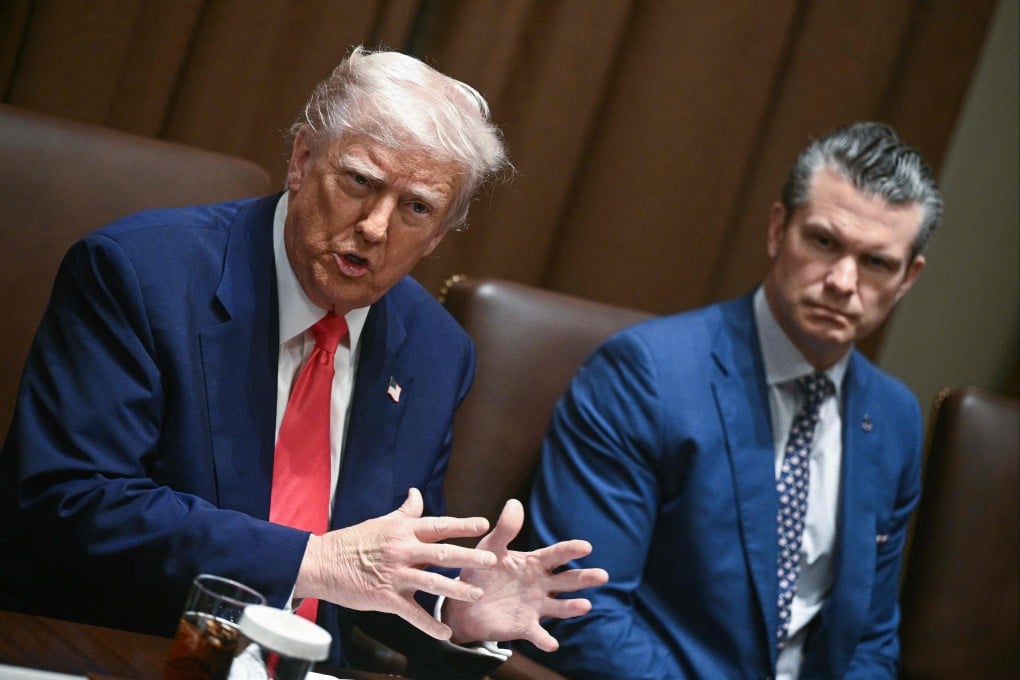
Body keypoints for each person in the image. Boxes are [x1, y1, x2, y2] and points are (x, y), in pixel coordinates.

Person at [0, 46, 606, 678]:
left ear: (438, 236)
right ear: (302, 158)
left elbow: (379, 569)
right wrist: (310, 561)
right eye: (360, 182)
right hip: (114, 652)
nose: (375, 227)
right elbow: (70, 502)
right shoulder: (142, 275)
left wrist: (456, 605)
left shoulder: (434, 351)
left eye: (417, 208)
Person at [523, 122, 941, 678]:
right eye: (824, 242)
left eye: (876, 263)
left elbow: (869, 641)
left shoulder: (894, 416)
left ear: (908, 278)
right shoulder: (647, 375)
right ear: (778, 229)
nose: (843, 281)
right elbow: (582, 612)